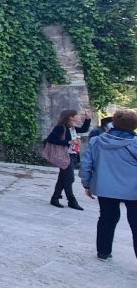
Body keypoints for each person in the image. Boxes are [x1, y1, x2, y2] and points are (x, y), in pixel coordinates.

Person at [80, 109, 137, 260]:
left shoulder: (97, 141)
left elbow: (86, 165)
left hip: (105, 189)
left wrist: (87, 185)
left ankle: (103, 252)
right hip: (133, 190)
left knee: (106, 218)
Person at [46, 109, 91, 210]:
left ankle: (55, 198)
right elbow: (51, 139)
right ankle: (72, 201)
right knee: (69, 179)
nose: (79, 117)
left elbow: (84, 129)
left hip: (73, 155)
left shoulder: (73, 128)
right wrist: (69, 142)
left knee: (63, 178)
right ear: (71, 117)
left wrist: (88, 118)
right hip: (65, 156)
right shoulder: (61, 127)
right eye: (78, 115)